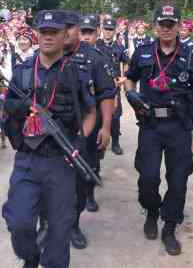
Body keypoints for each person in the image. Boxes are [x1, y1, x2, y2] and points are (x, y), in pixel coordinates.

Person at [2, 10, 96, 268]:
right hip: (28, 159)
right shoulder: (22, 72)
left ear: (65, 35)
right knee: (19, 221)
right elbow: (6, 108)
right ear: (37, 35)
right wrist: (17, 110)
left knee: (59, 228)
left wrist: (80, 140)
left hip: (61, 161)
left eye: (54, 32)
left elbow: (90, 112)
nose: (48, 37)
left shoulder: (75, 73)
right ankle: (31, 256)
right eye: (43, 32)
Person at [124, 5, 193, 256]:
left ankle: (170, 225)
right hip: (150, 123)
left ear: (179, 26)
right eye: (162, 24)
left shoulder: (192, 55)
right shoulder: (143, 52)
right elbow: (129, 77)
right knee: (148, 176)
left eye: (171, 24)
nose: (166, 29)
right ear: (155, 26)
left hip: (179, 125)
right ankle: (151, 210)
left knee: (178, 178)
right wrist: (131, 94)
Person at [65, 12, 116, 249]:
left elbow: (107, 94)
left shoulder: (96, 58)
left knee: (83, 178)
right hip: (56, 128)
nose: (84, 37)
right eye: (81, 31)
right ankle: (48, 221)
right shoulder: (52, 54)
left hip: (87, 127)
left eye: (88, 32)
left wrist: (106, 127)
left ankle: (73, 223)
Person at [97, 16, 128, 155]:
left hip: (114, 86)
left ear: (114, 31)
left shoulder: (120, 47)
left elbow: (126, 65)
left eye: (110, 30)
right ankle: (98, 141)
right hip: (98, 85)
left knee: (115, 115)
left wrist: (123, 79)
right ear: (102, 30)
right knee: (98, 113)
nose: (108, 32)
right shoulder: (96, 44)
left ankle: (115, 143)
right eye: (106, 29)